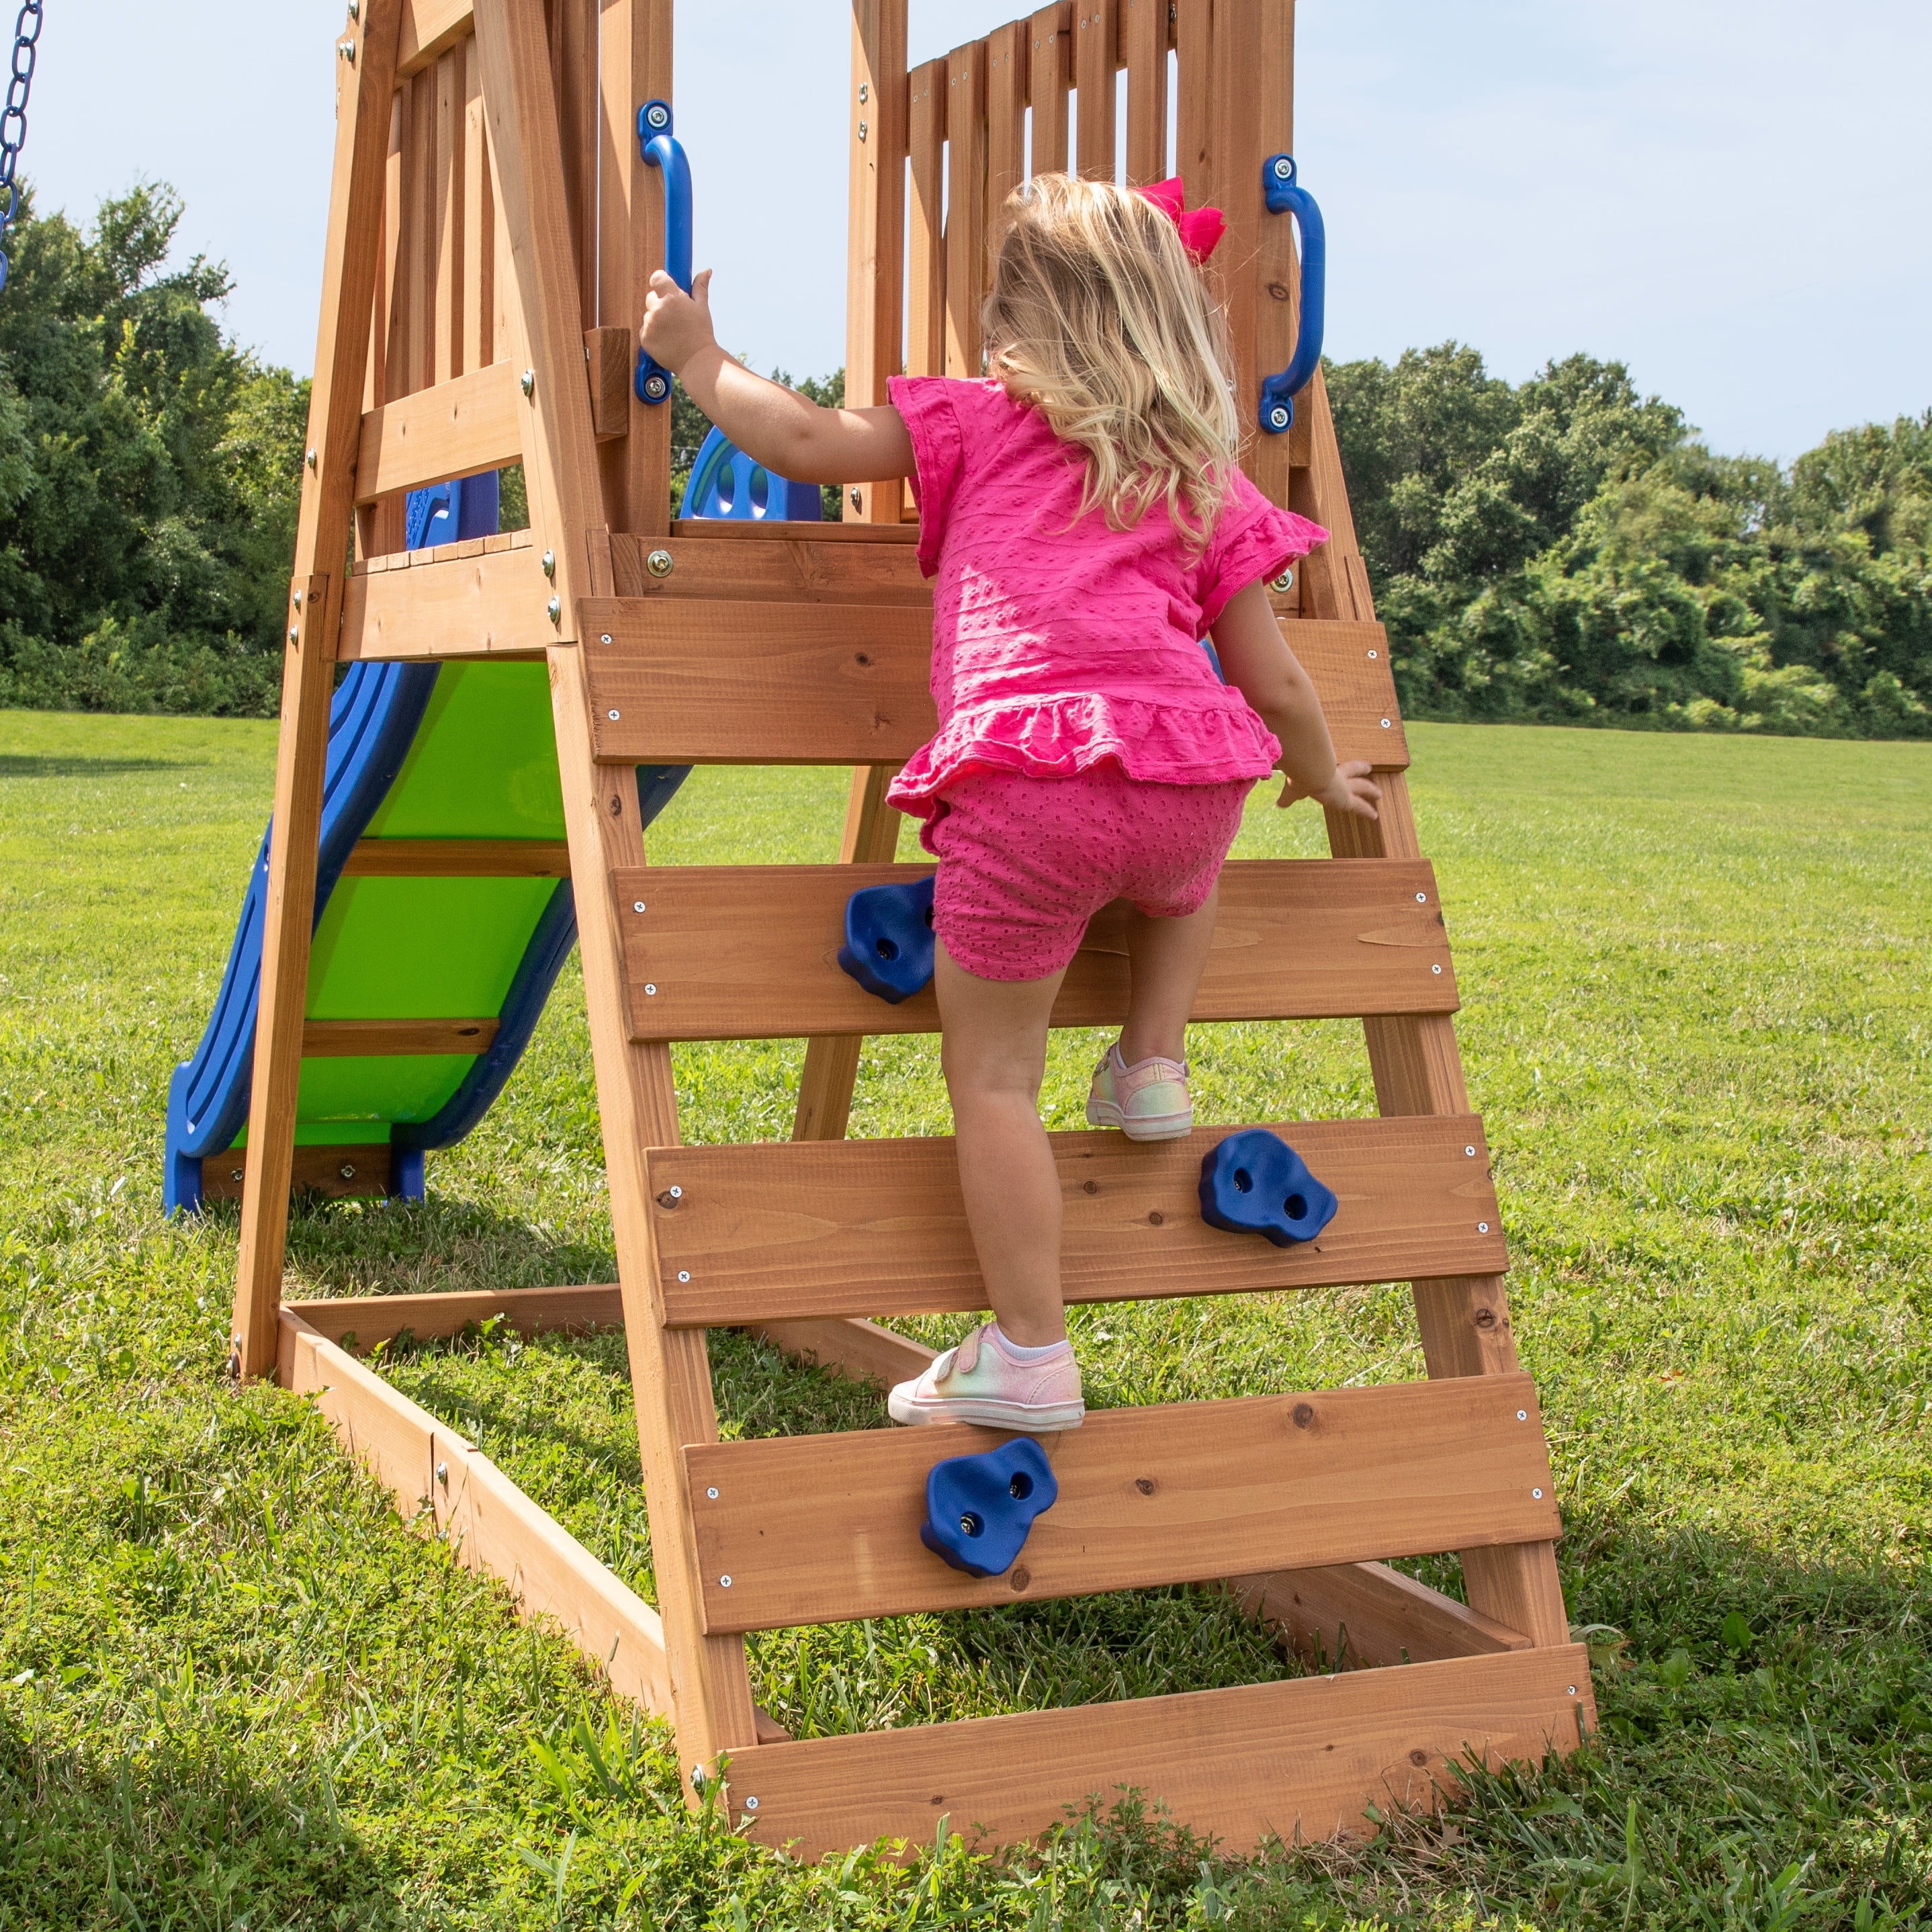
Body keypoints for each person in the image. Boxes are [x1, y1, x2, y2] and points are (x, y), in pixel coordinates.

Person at [640, 172, 1378, 1434]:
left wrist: (699, 359)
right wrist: (1319, 775)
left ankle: (1031, 1352)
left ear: (1028, 321)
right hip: (1185, 778)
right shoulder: (1202, 475)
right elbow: (1276, 677)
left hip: (1032, 786)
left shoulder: (979, 421)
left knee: (991, 1082)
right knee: (1184, 863)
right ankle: (1154, 1060)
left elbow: (810, 442)